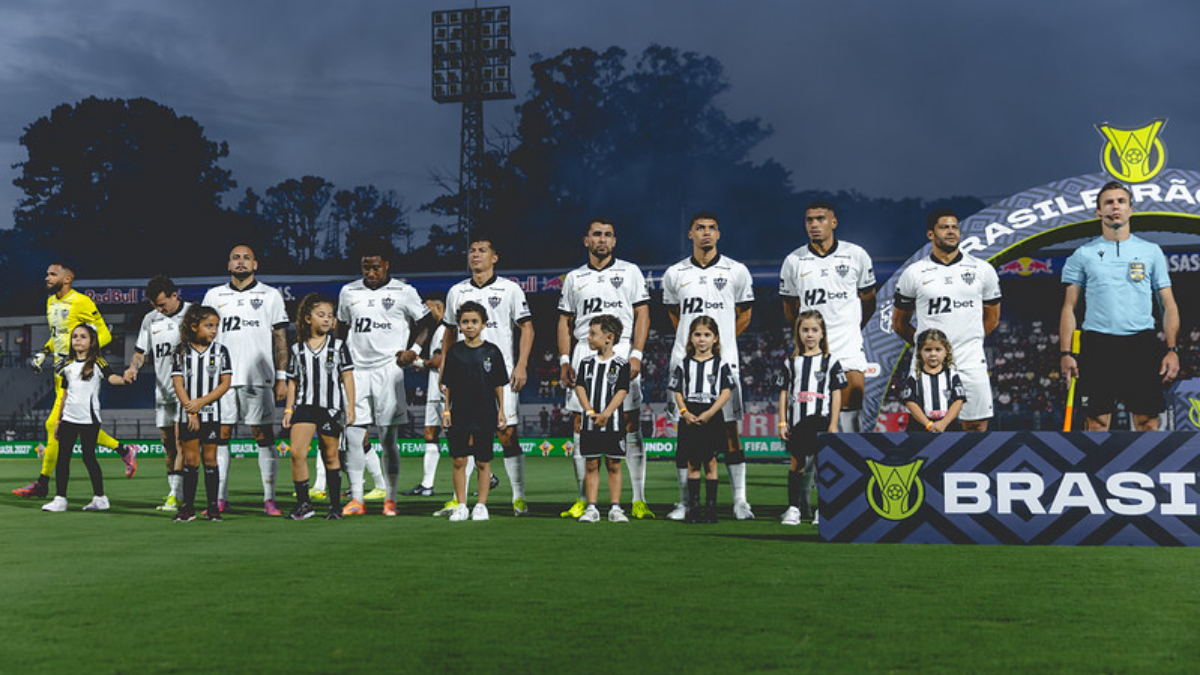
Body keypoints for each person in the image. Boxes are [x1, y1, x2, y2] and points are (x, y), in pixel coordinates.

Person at [1059, 180, 1180, 431]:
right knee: (1096, 422)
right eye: (1109, 202)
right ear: (1098, 212)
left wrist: (1172, 349)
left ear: (1130, 209)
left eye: (1121, 201)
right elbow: (1069, 307)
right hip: (1097, 345)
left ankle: (1147, 460)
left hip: (1141, 344)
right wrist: (1065, 353)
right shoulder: (1082, 254)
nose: (1115, 206)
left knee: (1148, 421)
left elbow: (1168, 304)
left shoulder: (1151, 251)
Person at [661, 211, 755, 520]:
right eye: (700, 228)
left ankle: (740, 501)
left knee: (730, 432)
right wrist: (693, 346)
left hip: (724, 362)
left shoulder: (736, 271)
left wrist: (717, 344)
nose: (706, 233)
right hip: (684, 362)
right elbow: (674, 315)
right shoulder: (674, 273)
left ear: (718, 234)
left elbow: (745, 314)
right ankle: (684, 502)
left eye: (712, 228)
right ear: (690, 234)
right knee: (684, 433)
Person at [556, 218, 651, 520]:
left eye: (608, 235)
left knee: (629, 422)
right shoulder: (574, 278)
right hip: (585, 351)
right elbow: (564, 321)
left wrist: (636, 354)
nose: (602, 239)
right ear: (587, 240)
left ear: (614, 241)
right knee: (580, 424)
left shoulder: (630, 272)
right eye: (597, 234)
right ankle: (584, 499)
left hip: (620, 351)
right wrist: (564, 360)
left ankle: (638, 499)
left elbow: (642, 313)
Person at [15, 262, 136, 499]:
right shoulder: (51, 302)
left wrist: (79, 358)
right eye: (47, 273)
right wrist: (44, 352)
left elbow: (104, 334)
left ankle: (43, 483)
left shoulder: (82, 302)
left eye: (53, 274)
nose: (47, 277)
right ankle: (124, 450)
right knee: (74, 426)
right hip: (60, 372)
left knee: (54, 425)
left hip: (78, 372)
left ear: (67, 279)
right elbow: (58, 336)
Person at [337, 239, 435, 517]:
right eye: (365, 267)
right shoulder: (348, 291)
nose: (370, 272)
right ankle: (357, 499)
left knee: (388, 439)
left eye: (376, 267)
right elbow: (341, 328)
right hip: (356, 371)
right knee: (353, 436)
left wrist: (414, 351)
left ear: (387, 265)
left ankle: (390, 499)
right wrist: (340, 360)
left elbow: (427, 322)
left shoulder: (404, 291)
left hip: (388, 370)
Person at [440, 236, 534, 517]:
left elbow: (527, 327)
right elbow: (448, 332)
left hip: (498, 374)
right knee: (464, 439)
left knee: (507, 434)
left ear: (494, 258)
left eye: (482, 251)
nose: (476, 255)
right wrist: (444, 370)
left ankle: (519, 497)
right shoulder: (456, 291)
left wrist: (521, 364)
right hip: (463, 375)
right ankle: (460, 501)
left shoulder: (510, 289)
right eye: (472, 251)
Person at [892, 209, 1001, 431]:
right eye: (944, 227)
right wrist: (928, 347)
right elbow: (899, 324)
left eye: (954, 227)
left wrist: (970, 340)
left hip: (970, 359)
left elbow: (992, 319)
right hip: (929, 362)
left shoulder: (982, 270)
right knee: (927, 427)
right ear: (930, 234)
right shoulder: (914, 272)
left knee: (976, 424)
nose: (951, 232)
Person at [202, 245, 290, 515]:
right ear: (228, 265)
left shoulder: (270, 295)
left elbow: (280, 338)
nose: (241, 262)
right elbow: (204, 337)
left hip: (258, 378)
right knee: (221, 436)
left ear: (255, 264)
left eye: (246, 258)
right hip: (221, 380)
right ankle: (220, 498)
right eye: (236, 258)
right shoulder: (213, 295)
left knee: (263, 436)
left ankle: (269, 499)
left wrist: (282, 377)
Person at [779, 202, 876, 433]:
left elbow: (869, 300)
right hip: (813, 348)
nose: (814, 224)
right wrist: (805, 336)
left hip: (848, 345)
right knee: (812, 411)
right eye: (809, 220)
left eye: (820, 219)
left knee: (852, 406)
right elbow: (790, 307)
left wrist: (854, 327)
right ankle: (811, 456)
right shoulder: (794, 260)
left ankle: (854, 454)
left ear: (833, 222)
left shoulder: (856, 255)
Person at [41, 324, 133, 513]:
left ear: (92, 341)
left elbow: (111, 378)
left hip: (89, 420)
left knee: (88, 458)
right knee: (63, 458)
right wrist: (58, 421)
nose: (78, 340)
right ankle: (60, 499)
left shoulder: (98, 362)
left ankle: (100, 498)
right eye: (75, 336)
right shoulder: (67, 366)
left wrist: (124, 380)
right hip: (68, 419)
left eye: (83, 336)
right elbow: (64, 395)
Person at [283, 295, 356, 520]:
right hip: (304, 406)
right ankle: (304, 504)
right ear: (308, 319)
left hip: (330, 408)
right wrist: (288, 409)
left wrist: (350, 406)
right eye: (321, 315)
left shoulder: (338, 346)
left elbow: (347, 376)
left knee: (330, 456)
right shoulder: (297, 349)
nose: (326, 319)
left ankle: (335, 507)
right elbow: (293, 381)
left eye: (330, 316)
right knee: (296, 452)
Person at [125, 275, 191, 511]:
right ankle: (175, 491)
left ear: (175, 295)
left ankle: (177, 494)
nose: (159, 309)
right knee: (167, 443)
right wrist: (133, 367)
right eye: (155, 305)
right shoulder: (150, 319)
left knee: (181, 440)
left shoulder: (193, 314)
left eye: (162, 304)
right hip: (162, 389)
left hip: (188, 390)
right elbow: (141, 352)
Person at [440, 301, 509, 522]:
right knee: (459, 460)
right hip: (460, 412)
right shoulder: (454, 352)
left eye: (474, 321)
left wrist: (501, 411)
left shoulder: (492, 352)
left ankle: (481, 505)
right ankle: (461, 505)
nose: (469, 326)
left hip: (485, 412)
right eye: (465, 322)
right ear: (459, 325)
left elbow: (498, 384)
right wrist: (446, 412)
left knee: (483, 461)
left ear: (484, 324)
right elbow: (448, 385)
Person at [777, 311, 845, 526]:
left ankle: (822, 510)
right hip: (798, 422)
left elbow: (837, 393)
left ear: (822, 333)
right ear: (798, 332)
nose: (810, 334)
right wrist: (782, 422)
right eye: (805, 330)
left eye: (814, 330)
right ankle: (793, 509)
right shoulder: (792, 362)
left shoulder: (831, 362)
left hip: (821, 421)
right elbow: (784, 393)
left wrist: (834, 424)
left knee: (821, 466)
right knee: (796, 464)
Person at [170, 305, 232, 522]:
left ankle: (213, 508)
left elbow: (225, 384)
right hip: (188, 416)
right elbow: (178, 384)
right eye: (209, 326)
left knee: (211, 460)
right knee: (190, 461)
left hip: (212, 414)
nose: (214, 330)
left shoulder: (221, 351)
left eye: (216, 326)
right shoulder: (180, 352)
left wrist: (201, 403)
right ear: (194, 326)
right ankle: (188, 508)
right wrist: (191, 411)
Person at [669, 317, 735, 524]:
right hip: (690, 413)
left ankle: (711, 509)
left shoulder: (721, 365)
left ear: (715, 339)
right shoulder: (683, 365)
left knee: (711, 462)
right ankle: (694, 508)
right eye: (697, 334)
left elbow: (726, 392)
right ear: (691, 338)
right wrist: (684, 412)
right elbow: (677, 391)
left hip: (712, 414)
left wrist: (710, 413)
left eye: (707, 335)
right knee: (693, 462)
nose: (702, 339)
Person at [572, 315, 631, 524]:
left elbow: (622, 391)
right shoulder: (586, 363)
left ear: (609, 338)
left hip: (613, 423)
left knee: (614, 464)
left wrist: (606, 414)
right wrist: (589, 411)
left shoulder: (621, 364)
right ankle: (592, 507)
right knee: (591, 464)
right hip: (590, 423)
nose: (588, 337)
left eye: (593, 334)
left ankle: (615, 508)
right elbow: (580, 387)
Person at [401, 297, 447, 498]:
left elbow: (438, 360)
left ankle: (486, 476)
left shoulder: (446, 329)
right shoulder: (436, 330)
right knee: (429, 434)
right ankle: (427, 485)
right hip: (435, 390)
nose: (425, 313)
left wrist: (418, 362)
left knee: (458, 438)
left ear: (438, 307)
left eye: (428, 308)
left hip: (446, 390)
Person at [901, 329, 966, 433]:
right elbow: (910, 402)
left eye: (938, 349)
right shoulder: (915, 377)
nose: (933, 354)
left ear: (946, 352)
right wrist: (928, 424)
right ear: (920, 352)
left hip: (948, 426)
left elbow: (958, 401)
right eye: (928, 350)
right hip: (920, 427)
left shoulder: (951, 375)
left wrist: (944, 423)